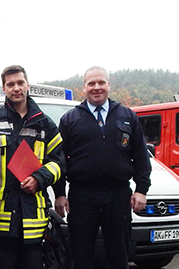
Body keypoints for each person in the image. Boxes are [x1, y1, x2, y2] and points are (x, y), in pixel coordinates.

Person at [55, 66, 152, 269]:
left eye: (101, 83)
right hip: (82, 197)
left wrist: (141, 190)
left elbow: (141, 156)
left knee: (119, 256)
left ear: (109, 85)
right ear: (84, 88)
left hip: (118, 196)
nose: (96, 87)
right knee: (80, 257)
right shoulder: (70, 120)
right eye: (91, 83)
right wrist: (60, 194)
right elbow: (59, 160)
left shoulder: (127, 116)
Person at [0, 65, 66, 269]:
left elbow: (59, 163)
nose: (16, 88)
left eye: (20, 83)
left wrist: (40, 178)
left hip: (34, 216)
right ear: (4, 88)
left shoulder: (45, 124)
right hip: (1, 214)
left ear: (27, 85)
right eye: (10, 84)